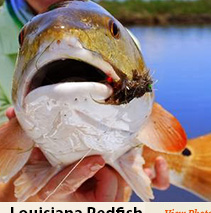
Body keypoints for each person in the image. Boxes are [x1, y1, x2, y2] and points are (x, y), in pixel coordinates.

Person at [0, 0, 169, 202]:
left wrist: (136, 172)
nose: (64, 40)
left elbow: (150, 117)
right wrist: (31, 202)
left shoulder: (127, 38)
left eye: (113, 31)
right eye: (23, 39)